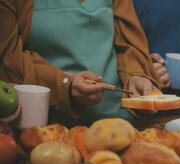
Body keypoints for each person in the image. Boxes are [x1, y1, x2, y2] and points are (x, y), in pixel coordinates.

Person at [0, 0, 162, 125]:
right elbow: (9, 61)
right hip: (48, 129)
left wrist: (137, 76)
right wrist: (65, 85)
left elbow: (129, 44)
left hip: (119, 122)